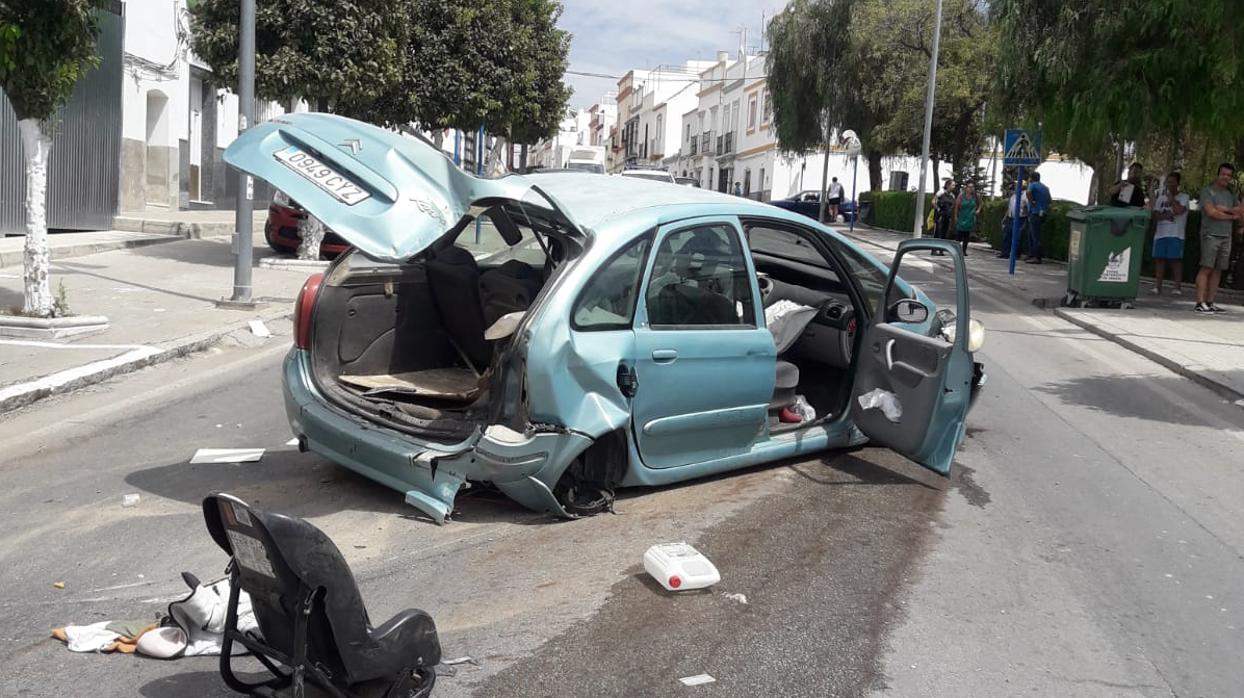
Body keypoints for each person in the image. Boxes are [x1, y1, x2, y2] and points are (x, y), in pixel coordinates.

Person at [1195, 163, 1243, 313]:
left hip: (1226, 236)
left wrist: (1224, 209)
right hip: (1210, 234)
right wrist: (1230, 214)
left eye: (1229, 175)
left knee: (1218, 269)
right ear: (1218, 174)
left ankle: (1210, 301)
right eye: (1223, 174)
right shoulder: (1207, 191)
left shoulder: (1230, 194)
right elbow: (1211, 212)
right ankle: (1199, 302)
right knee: (1206, 267)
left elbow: (1241, 212)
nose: (1226, 178)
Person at [1150, 172, 1189, 296]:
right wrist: (1166, 215)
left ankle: (1177, 287)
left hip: (1176, 234)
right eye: (1168, 182)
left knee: (1175, 260)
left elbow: (1179, 210)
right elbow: (1155, 214)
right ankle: (1157, 286)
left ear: (1178, 183)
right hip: (1161, 233)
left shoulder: (1184, 197)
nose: (1170, 184)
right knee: (1159, 260)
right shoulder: (1161, 198)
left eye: (1173, 181)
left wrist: (1172, 200)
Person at [997, 183, 1029, 259]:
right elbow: (1009, 208)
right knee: (1007, 235)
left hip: (1020, 218)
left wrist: (1026, 216)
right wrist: (1005, 218)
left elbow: (1027, 207)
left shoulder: (1024, 196)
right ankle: (1005, 253)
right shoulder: (1013, 196)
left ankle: (1016, 254)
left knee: (1017, 237)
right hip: (1011, 218)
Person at [1025, 171, 1052, 263]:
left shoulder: (1033, 185)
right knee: (1032, 234)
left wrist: (1032, 201)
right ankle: (1031, 254)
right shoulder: (1045, 187)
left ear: (1031, 178)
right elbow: (1049, 200)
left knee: (1034, 235)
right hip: (1043, 213)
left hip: (1035, 212)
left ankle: (1036, 257)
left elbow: (1028, 193)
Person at [952, 182, 981, 257]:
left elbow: (980, 204)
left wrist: (978, 210)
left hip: (970, 218)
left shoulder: (976, 196)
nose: (971, 189)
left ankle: (964, 251)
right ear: (966, 188)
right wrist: (955, 216)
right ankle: (956, 250)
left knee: (966, 235)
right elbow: (956, 207)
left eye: (972, 187)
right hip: (962, 217)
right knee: (959, 234)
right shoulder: (961, 196)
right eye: (969, 187)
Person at [932, 179, 957, 254]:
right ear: (947, 185)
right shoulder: (941, 192)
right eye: (952, 185)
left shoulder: (952, 195)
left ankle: (941, 250)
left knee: (944, 233)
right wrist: (938, 209)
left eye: (954, 185)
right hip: (940, 216)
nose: (954, 187)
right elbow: (933, 202)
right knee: (938, 232)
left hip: (947, 216)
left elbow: (953, 206)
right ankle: (934, 249)